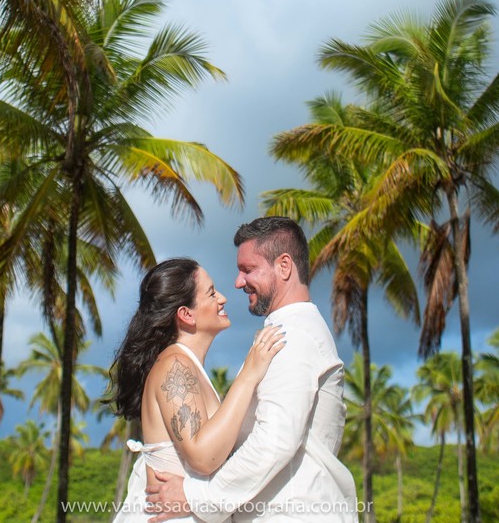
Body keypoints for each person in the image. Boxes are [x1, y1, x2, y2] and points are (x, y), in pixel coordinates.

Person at [146, 217, 358, 523]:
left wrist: (194, 497)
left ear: (284, 266)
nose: (237, 283)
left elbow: (275, 440)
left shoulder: (292, 334)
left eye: (248, 269)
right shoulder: (280, 333)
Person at [107, 257, 287, 523]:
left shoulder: (185, 366)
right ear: (186, 314)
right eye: (212, 293)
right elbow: (203, 457)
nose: (223, 298)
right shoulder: (174, 365)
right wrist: (249, 374)